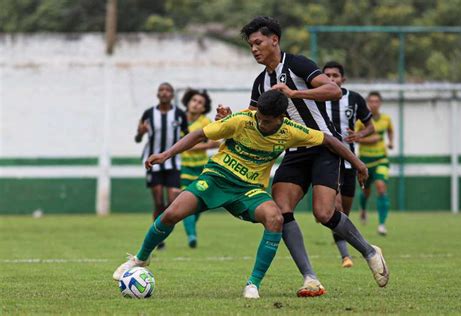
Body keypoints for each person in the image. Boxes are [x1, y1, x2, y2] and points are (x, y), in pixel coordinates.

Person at [112, 90, 383, 299]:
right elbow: (198, 135)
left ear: (281, 118)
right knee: (171, 212)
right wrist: (166, 154)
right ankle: (140, 258)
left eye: (267, 121)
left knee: (275, 218)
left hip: (249, 189)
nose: (261, 124)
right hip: (216, 178)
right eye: (260, 118)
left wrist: (358, 164)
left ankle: (253, 284)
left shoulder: (292, 131)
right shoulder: (242, 120)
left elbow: (329, 140)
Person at [217, 16, 389, 295]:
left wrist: (294, 93)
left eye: (258, 42)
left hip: (324, 148)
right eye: (250, 45)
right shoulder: (260, 82)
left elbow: (333, 90)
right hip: (293, 152)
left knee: (324, 213)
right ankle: (310, 277)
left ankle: (369, 251)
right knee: (281, 212)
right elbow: (252, 119)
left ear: (274, 39)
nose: (254, 49)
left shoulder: (297, 64)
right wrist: (229, 118)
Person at [323, 61, 375, 268]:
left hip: (349, 162)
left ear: (343, 79)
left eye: (335, 75)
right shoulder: (316, 97)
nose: (331, 79)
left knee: (344, 213)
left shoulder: (354, 99)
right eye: (327, 75)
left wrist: (360, 134)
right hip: (327, 161)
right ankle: (346, 256)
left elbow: (371, 126)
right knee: (335, 208)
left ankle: (353, 248)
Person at [135, 82, 188, 249]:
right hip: (154, 163)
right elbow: (137, 138)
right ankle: (158, 239)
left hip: (173, 162)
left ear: (172, 95)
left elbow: (187, 136)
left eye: (167, 90)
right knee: (158, 202)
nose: (164, 93)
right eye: (161, 90)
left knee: (172, 200)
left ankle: (163, 227)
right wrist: (141, 132)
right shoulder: (148, 114)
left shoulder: (180, 114)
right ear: (157, 94)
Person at [180, 89, 219, 248]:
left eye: (200, 103)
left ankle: (191, 229)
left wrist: (196, 146)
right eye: (194, 100)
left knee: (196, 203)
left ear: (204, 108)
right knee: (184, 201)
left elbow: (216, 142)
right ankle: (191, 235)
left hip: (201, 168)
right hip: (183, 168)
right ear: (188, 102)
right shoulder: (178, 119)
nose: (196, 104)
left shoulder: (205, 122)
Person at [356, 91, 394, 235]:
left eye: (376, 101)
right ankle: (363, 209)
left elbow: (390, 131)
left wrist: (391, 141)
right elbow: (353, 137)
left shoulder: (386, 119)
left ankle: (382, 224)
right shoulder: (360, 121)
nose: (374, 104)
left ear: (380, 103)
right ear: (367, 103)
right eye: (371, 101)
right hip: (364, 161)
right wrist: (369, 140)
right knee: (366, 192)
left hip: (381, 159)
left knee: (381, 187)